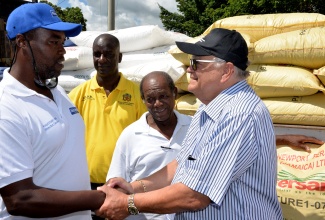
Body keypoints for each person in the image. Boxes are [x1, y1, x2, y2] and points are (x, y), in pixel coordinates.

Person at [96, 28, 284, 219]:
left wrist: (127, 204)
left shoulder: (239, 113)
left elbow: (195, 195)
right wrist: (133, 187)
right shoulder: (207, 108)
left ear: (226, 71)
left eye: (196, 62)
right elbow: (182, 164)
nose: (189, 69)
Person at [0, 3, 106, 219]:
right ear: (22, 42)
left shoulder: (57, 92)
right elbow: (19, 199)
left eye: (62, 41)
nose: (63, 50)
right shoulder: (7, 106)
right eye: (53, 41)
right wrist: (98, 198)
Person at [68, 33, 147, 218]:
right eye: (97, 54)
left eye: (109, 54)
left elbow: (146, 136)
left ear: (119, 57)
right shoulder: (78, 94)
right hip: (86, 184)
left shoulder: (136, 93)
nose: (102, 59)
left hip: (124, 184)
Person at [106, 71, 192, 220]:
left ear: (175, 93)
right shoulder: (131, 135)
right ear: (143, 101)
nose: (157, 104)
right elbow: (115, 185)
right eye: (150, 99)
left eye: (163, 96)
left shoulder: (194, 127)